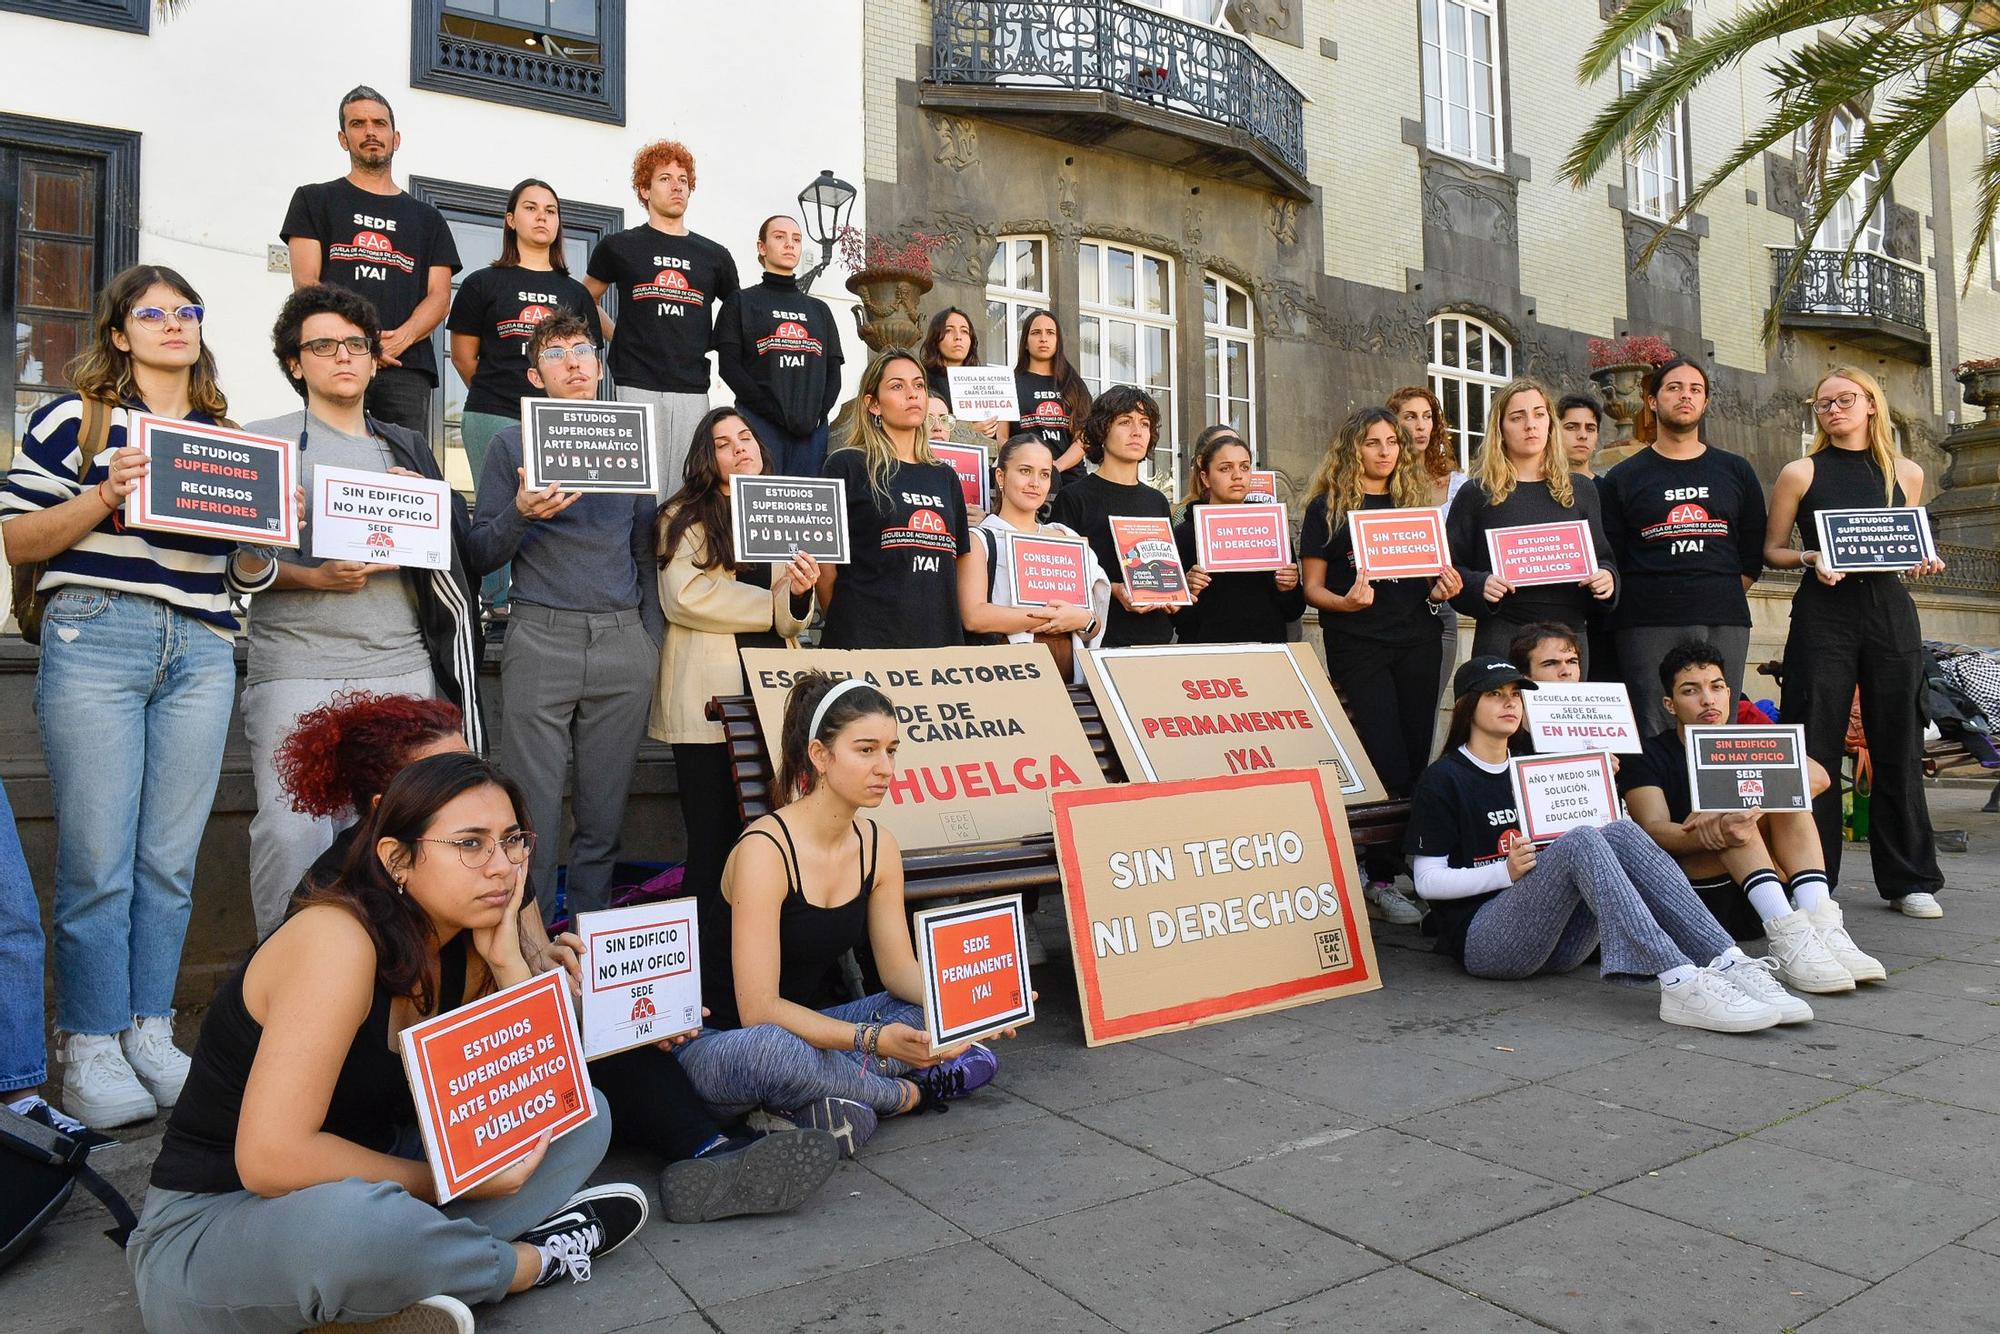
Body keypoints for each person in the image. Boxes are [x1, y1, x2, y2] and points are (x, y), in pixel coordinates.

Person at [126, 754, 648, 1334]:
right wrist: (447, 1185)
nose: (501, 867)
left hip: (381, 1186)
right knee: (361, 1229)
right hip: (217, 1224)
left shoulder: (468, 938)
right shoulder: (337, 940)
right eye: (470, 845)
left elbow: (535, 1088)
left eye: (513, 841)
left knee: (582, 1116)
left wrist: (507, 963)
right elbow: (270, 1159)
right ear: (398, 858)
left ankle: (393, 1288)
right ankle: (527, 1262)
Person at [277, 692, 841, 1225]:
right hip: (377, 1119)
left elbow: (526, 964)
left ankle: (708, 1146)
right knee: (577, 1050)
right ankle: (701, 1142)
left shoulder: (496, 859)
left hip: (476, 1076)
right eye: (447, 781)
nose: (477, 792)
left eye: (474, 769)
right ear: (389, 813)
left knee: (594, 1038)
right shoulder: (334, 911)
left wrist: (590, 983)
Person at [0, 265, 278, 1128]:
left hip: (200, 643)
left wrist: (262, 542)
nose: (173, 325)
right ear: (119, 333)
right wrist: (106, 491)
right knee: (97, 858)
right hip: (97, 632)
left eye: (187, 311)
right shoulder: (70, 419)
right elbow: (17, 535)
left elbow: (244, 573)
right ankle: (88, 1041)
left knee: (169, 858)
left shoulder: (229, 438)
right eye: (152, 313)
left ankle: (150, 1032)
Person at [675, 674, 1013, 1156]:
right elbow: (759, 1011)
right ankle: (908, 1093)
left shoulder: (879, 846)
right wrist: (876, 1042)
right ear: (820, 755)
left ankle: (826, 1104)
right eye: (866, 750)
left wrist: (973, 1004)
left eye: (892, 750)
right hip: (728, 1044)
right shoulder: (765, 850)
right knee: (778, 1051)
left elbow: (898, 971)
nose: (885, 767)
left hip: (816, 1027)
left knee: (922, 1012)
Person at [242, 283, 483, 941]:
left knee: (405, 838)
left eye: (355, 345)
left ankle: (390, 985)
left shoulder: (407, 447)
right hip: (297, 668)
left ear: (376, 359)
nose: (342, 357)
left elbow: (451, 563)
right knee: (292, 834)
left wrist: (428, 512)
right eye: (323, 346)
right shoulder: (263, 443)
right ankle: (278, 980)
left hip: (400, 667)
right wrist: (312, 575)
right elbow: (238, 570)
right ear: (296, 363)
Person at [1406, 657, 1812, 1031]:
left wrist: (1600, 783)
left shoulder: (1535, 763)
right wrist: (1503, 871)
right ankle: (1678, 979)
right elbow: (1427, 882)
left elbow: (1601, 841)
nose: (1509, 703)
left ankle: (1727, 960)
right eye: (1495, 694)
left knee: (1618, 829)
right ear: (1467, 705)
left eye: (1515, 694)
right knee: (1580, 840)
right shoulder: (1445, 778)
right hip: (1488, 943)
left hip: (1559, 945)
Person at [462, 313, 661, 925]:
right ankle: (528, 949)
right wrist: (521, 512)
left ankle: (591, 957)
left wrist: (647, 640)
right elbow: (480, 553)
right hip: (541, 635)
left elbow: (644, 552)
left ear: (599, 367)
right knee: (532, 818)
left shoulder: (632, 441)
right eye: (556, 354)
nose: (574, 362)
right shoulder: (511, 444)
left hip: (622, 640)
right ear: (534, 374)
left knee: (603, 818)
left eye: (584, 350)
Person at [1765, 366, 1948, 919]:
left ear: (1872, 404)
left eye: (1845, 399)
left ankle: (1910, 879)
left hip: (1890, 612)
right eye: (1823, 404)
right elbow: (1771, 550)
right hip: (1824, 613)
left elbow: (1907, 542)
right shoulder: (1801, 471)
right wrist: (1809, 557)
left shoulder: (1906, 473)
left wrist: (1926, 559)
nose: (1834, 409)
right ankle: (1813, 876)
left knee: (1898, 741)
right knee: (1813, 739)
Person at [1619, 640, 1885, 996]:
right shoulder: (1648, 755)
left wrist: (1747, 799)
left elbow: (1820, 779)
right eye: (1691, 691)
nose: (1708, 700)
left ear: (1729, 693)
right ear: (1670, 704)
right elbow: (1653, 830)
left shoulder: (1748, 740)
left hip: (1757, 894)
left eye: (1716, 688)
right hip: (1698, 895)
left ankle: (1821, 925)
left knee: (1787, 798)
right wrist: (1711, 828)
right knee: (1739, 820)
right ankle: (1791, 939)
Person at [1301, 408, 1462, 924]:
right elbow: (1313, 589)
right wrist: (1345, 604)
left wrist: (1447, 587)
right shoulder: (1327, 508)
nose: (1386, 450)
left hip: (1419, 639)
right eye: (1373, 442)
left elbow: (1435, 576)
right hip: (1359, 645)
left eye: (1392, 441)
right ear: (1354, 449)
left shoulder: (1415, 505)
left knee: (1417, 755)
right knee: (1381, 756)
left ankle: (1414, 866)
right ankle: (1375, 873)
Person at [652, 408, 817, 904]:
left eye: (745, 436)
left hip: (774, 696)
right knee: (713, 840)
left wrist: (799, 593)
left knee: (775, 839)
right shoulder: (681, 516)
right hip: (710, 702)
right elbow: (684, 597)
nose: (740, 447)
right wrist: (770, 605)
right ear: (707, 457)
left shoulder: (781, 508)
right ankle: (713, 972)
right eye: (724, 443)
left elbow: (790, 621)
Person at [447, 178, 605, 613]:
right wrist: (507, 397)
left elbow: (585, 358)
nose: (541, 216)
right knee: (498, 510)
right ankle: (494, 605)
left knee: (559, 507)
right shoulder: (482, 284)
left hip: (561, 420)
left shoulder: (574, 292)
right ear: (510, 219)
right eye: (531, 208)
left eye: (551, 210)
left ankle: (547, 597)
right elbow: (463, 358)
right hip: (495, 413)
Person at [1597, 358, 1766, 735]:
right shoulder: (1623, 477)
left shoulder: (1736, 471)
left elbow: (1752, 551)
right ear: (1652, 401)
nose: (1685, 396)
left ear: (1705, 403)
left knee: (1719, 725)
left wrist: (1714, 589)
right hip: (1646, 619)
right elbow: (1612, 552)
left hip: (1723, 615)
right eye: (1674, 388)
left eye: (1695, 389)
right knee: (1654, 726)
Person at [281, 86, 460, 439]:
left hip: (404, 365)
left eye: (379, 123)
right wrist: (356, 344)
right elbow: (307, 284)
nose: (370, 132)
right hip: (335, 358)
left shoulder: (428, 218)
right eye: (358, 124)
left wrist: (394, 342)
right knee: (328, 458)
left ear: (395, 137)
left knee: (402, 470)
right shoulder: (313, 200)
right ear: (343, 137)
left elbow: (440, 298)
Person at [585, 140, 739, 495]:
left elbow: (736, 317)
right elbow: (586, 297)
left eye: (683, 180)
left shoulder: (714, 255)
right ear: (644, 188)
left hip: (692, 386)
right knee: (638, 491)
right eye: (665, 178)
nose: (676, 187)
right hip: (635, 380)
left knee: (687, 489)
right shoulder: (620, 246)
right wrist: (617, 335)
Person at [1446, 378, 1618, 667]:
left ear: (1550, 423)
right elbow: (1450, 568)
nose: (1530, 424)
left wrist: (1607, 579)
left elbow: (1604, 560)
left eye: (1539, 414)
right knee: (1504, 713)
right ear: (1500, 428)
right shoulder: (1477, 493)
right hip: (1504, 634)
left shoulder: (1581, 490)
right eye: (1517, 417)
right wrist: (1480, 585)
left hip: (1569, 638)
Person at [818, 349, 971, 649]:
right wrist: (847, 623)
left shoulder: (945, 477)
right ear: (873, 404)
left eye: (919, 385)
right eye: (897, 386)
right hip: (864, 639)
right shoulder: (846, 465)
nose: (912, 394)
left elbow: (959, 560)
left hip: (938, 642)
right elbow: (825, 565)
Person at [959, 432, 1108, 681]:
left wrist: (1082, 619)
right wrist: (1051, 618)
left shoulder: (1065, 537)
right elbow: (974, 617)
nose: (1035, 483)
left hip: (1072, 678)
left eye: (1044, 474)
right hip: (1010, 676)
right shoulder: (981, 539)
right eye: (1025, 471)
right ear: (1001, 476)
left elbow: (1093, 622)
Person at [1047, 386, 1178, 648]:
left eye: (1145, 423)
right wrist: (1114, 590)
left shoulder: (1157, 501)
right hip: (1101, 641)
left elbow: (1165, 570)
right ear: (1102, 431)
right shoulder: (1074, 498)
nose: (1137, 432)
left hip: (1157, 639)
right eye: (1125, 422)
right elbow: (1061, 579)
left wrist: (1178, 593)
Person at [715, 215, 845, 477]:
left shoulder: (819, 310)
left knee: (805, 506)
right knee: (761, 504)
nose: (789, 244)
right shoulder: (740, 302)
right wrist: (770, 412)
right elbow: (729, 368)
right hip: (758, 426)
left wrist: (819, 415)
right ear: (762, 247)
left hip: (811, 432)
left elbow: (833, 370)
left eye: (796, 239)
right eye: (779, 237)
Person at [1172, 430, 1303, 644]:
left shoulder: (1272, 527)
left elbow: (1293, 610)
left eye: (1244, 467)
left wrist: (1287, 588)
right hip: (1205, 657)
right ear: (1205, 477)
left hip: (1264, 654)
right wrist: (1187, 591)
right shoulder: (1184, 535)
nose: (1237, 476)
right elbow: (1175, 619)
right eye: (1225, 468)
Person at [1389, 384, 1469, 722]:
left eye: (1427, 417)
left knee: (1426, 714)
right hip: (1391, 607)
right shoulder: (1380, 482)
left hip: (1441, 609)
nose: (1421, 426)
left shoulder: (1457, 484)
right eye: (1410, 417)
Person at [1011, 311, 1092, 477]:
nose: (1043, 338)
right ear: (1025, 342)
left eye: (1050, 333)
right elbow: (1003, 437)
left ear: (1057, 341)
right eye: (1035, 333)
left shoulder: (1074, 385)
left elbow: (1084, 437)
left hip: (1069, 478)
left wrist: (1056, 467)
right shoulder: (1010, 383)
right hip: (1024, 475)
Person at [920, 307, 1004, 446]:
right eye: (948, 330)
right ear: (936, 338)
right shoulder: (922, 379)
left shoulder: (985, 382)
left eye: (964, 331)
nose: (958, 336)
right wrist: (969, 431)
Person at [1557, 391, 1604, 478]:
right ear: (1554, 433)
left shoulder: (1609, 490)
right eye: (1571, 427)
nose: (1583, 435)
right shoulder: (1536, 488)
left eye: (1590, 429)